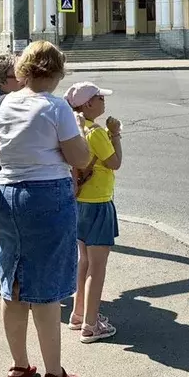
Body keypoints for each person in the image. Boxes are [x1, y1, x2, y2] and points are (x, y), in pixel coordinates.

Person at [0, 41, 91, 377]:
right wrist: (78, 133)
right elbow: (79, 157)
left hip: (7, 194)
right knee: (46, 290)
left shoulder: (6, 102)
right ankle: (53, 376)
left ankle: (19, 369)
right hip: (46, 194)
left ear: (23, 71)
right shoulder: (56, 106)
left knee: (14, 280)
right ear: (57, 72)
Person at [65, 82, 122, 344]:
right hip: (99, 201)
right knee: (97, 267)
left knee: (83, 261)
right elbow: (115, 162)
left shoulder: (75, 130)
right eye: (99, 97)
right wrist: (115, 134)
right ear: (88, 104)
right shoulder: (96, 132)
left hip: (79, 201)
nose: (103, 101)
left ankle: (78, 314)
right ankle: (90, 324)